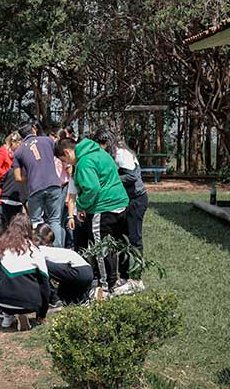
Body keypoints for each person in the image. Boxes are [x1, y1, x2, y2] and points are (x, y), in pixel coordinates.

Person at [55, 137, 129, 292]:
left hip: (103, 207)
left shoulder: (84, 162)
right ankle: (115, 280)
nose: (68, 164)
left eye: (65, 160)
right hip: (120, 204)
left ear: (67, 152)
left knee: (100, 248)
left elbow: (92, 189)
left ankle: (105, 285)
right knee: (112, 245)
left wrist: (81, 206)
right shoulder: (98, 152)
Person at [93, 129, 148, 295]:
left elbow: (131, 177)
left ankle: (137, 278)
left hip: (136, 201)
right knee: (122, 239)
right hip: (126, 201)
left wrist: (111, 179)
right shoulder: (115, 153)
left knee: (134, 239)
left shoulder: (121, 153)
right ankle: (123, 277)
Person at [0, 213, 50, 331]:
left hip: (1, 301)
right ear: (29, 229)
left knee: (3, 280)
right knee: (36, 282)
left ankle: (7, 316)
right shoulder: (34, 251)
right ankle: (21, 313)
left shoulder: (1, 248)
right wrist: (42, 314)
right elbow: (45, 286)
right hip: (29, 303)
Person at [13, 122, 63, 246]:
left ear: (21, 136)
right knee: (55, 220)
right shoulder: (48, 140)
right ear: (34, 130)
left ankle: (39, 248)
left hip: (35, 188)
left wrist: (30, 177)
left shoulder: (19, 151)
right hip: (54, 184)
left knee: (36, 220)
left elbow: (18, 177)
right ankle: (58, 250)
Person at [35, 224, 94, 304]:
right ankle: (86, 295)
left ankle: (54, 299)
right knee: (65, 298)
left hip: (78, 271)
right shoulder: (56, 250)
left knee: (39, 266)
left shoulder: (40, 250)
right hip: (87, 271)